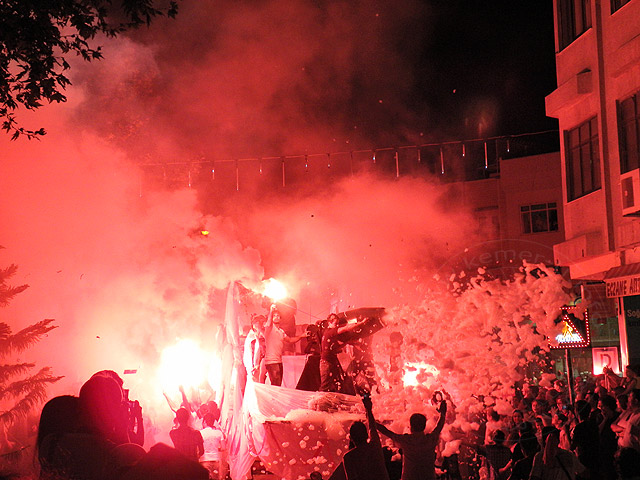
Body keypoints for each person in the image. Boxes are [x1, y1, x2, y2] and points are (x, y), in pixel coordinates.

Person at [376, 399, 447, 480]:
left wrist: (371, 419)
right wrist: (443, 413)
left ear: (411, 426)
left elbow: (387, 432)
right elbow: (439, 426)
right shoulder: (431, 439)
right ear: (424, 426)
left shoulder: (406, 440)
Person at [341, 394, 390, 480]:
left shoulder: (348, 457)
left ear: (351, 438)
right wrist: (368, 409)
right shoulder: (374, 447)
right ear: (367, 435)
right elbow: (372, 428)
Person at [320, 313, 367, 394]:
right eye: (335, 323)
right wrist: (361, 323)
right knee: (325, 386)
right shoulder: (330, 332)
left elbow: (343, 342)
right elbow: (345, 328)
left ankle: (329, 402)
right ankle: (318, 403)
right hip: (326, 362)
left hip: (331, 361)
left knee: (337, 383)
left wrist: (356, 344)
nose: (337, 325)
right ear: (329, 323)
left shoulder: (330, 334)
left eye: (338, 323)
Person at [263, 303, 305, 386]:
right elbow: (268, 322)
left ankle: (274, 398)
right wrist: (271, 311)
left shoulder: (281, 331)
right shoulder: (269, 329)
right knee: (275, 385)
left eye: (278, 316)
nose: (276, 317)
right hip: (271, 362)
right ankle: (273, 399)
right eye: (274, 316)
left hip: (278, 361)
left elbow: (290, 340)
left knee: (278, 384)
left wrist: (302, 336)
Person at [200, 412, 227, 480]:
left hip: (204, 459)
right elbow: (223, 448)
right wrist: (216, 449)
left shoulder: (200, 433)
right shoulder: (218, 433)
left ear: (205, 422)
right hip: (215, 459)